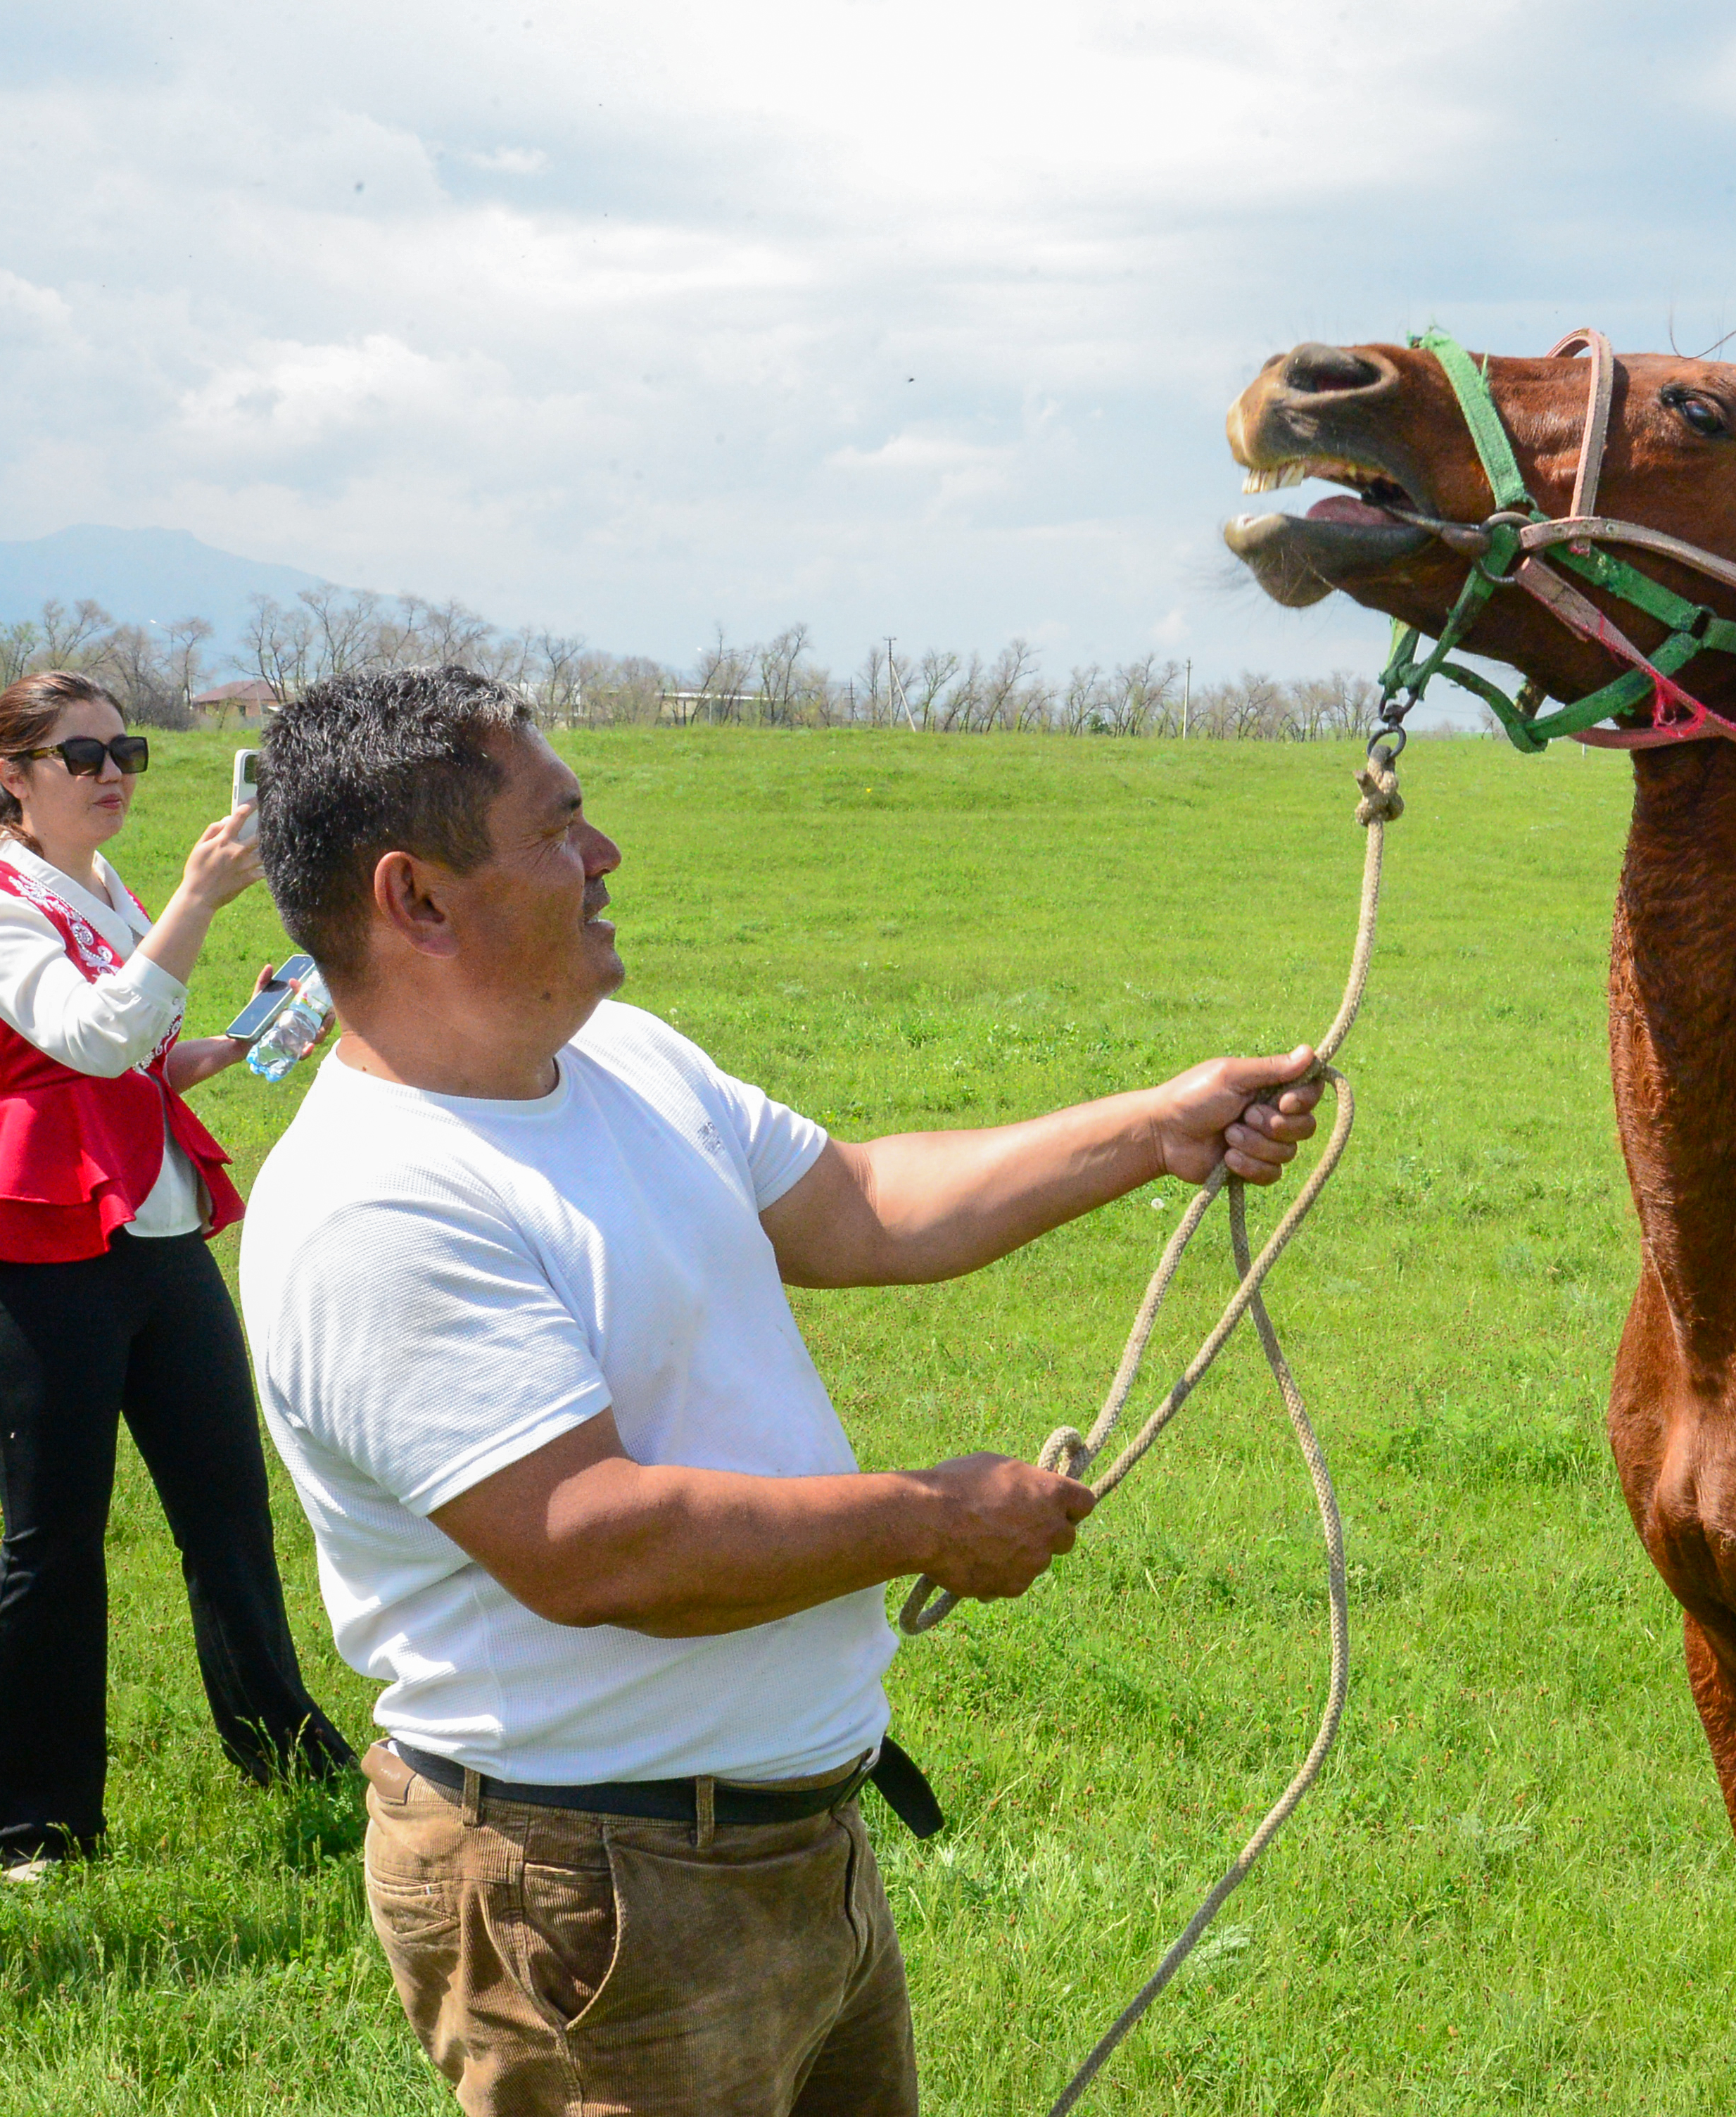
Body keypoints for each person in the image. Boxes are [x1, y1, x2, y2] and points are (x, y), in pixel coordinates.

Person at [238, 666, 1324, 2117]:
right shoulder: (380, 1202)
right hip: (596, 1888)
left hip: (775, 1839)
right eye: (560, 828)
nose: (606, 856)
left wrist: (1153, 1129)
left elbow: (863, 1205)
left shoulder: (613, 1054)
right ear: (418, 900)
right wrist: (928, 1516)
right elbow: (592, 1539)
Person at [0, 671, 353, 1870]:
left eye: (129, 751)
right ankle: (24, 1818)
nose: (114, 773)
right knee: (53, 1535)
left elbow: (133, 1053)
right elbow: (94, 1035)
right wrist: (203, 899)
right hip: (37, 1232)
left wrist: (224, 1045)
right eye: (83, 755)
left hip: (150, 1219)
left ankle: (284, 1749)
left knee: (226, 1505)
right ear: (12, 775)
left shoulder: (102, 886)